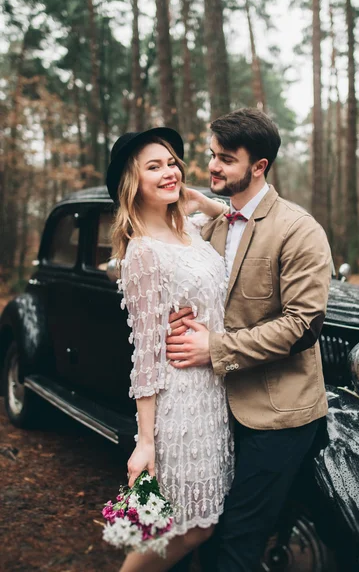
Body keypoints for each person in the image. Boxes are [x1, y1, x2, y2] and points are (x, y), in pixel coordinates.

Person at [166, 108, 332, 572]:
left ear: (259, 166)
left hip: (278, 415)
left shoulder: (300, 230)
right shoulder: (216, 225)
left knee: (239, 539)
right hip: (216, 406)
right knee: (201, 527)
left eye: (226, 158)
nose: (212, 166)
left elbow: (302, 326)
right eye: (211, 155)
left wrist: (214, 350)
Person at [106, 127, 235, 572]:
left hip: (213, 392)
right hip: (179, 403)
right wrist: (145, 443)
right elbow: (145, 352)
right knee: (187, 527)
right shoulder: (143, 252)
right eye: (154, 166)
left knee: (200, 523)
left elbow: (237, 220)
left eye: (172, 163)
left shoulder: (189, 229)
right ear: (133, 182)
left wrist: (201, 201)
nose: (169, 172)